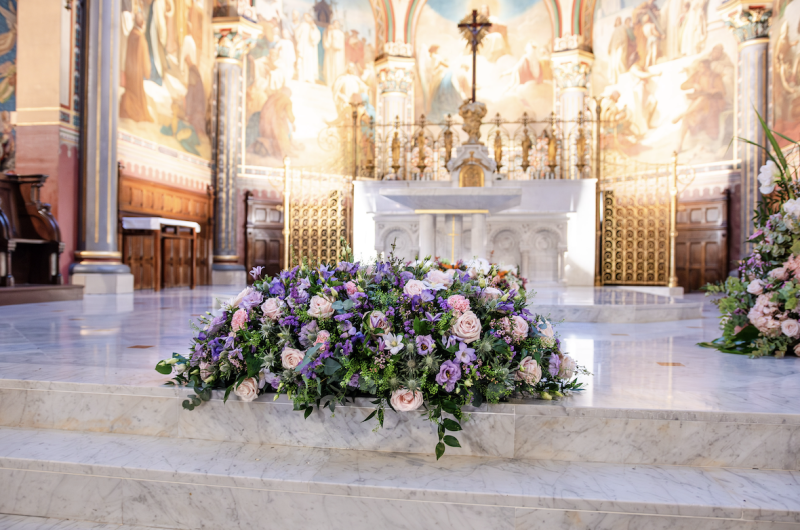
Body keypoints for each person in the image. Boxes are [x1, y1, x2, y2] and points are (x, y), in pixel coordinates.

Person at [672, 58, 724, 151]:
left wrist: (714, 90)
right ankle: (678, 146)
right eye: (699, 67)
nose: (700, 69)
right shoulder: (696, 75)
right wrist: (693, 85)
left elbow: (722, 91)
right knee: (686, 119)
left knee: (703, 98)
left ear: (707, 66)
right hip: (696, 107)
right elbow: (683, 86)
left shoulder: (715, 76)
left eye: (702, 66)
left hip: (710, 104)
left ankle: (683, 114)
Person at [120, 12, 154, 123]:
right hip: (137, 72)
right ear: (142, 23)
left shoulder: (131, 34)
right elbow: (145, 60)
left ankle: (126, 109)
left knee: (130, 90)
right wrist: (147, 72)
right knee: (137, 95)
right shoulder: (141, 38)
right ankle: (133, 112)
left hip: (129, 70)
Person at [253, 86, 296, 159]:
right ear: (288, 94)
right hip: (275, 123)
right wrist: (293, 122)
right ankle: (284, 154)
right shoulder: (287, 100)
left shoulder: (273, 96)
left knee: (270, 138)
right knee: (282, 139)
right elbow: (289, 114)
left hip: (263, 122)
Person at [295, 13, 321, 83]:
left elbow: (316, 36)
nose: (306, 18)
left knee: (310, 61)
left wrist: (313, 29)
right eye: (304, 17)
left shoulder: (313, 25)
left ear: (310, 17)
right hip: (303, 46)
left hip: (310, 47)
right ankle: (302, 77)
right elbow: (297, 34)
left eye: (307, 17)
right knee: (302, 60)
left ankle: (309, 77)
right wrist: (299, 41)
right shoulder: (302, 25)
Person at [323, 20, 346, 87]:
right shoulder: (331, 32)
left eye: (337, 24)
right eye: (334, 24)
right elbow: (328, 43)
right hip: (331, 53)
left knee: (338, 67)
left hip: (338, 54)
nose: (336, 25)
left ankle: (337, 83)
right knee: (331, 67)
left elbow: (342, 44)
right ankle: (330, 81)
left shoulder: (341, 33)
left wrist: (338, 47)